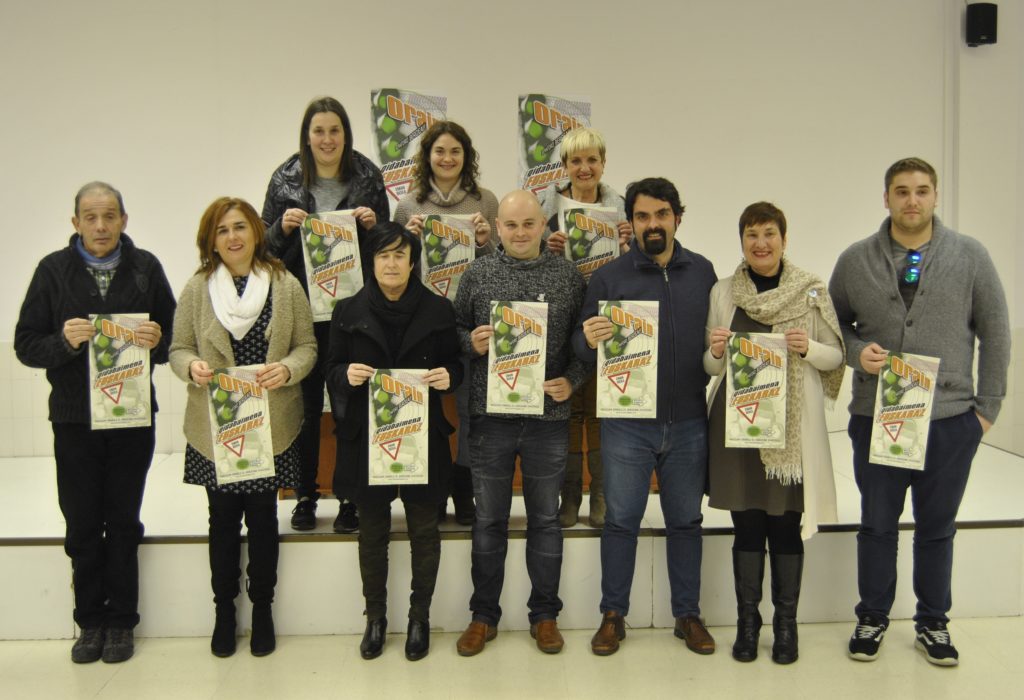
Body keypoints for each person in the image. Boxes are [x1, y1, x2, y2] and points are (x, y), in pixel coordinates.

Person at [829, 157, 1010, 667]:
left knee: (937, 527)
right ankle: (872, 616)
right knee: (877, 525)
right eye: (902, 191)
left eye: (922, 190)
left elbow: (996, 332)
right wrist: (855, 352)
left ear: (935, 196)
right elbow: (833, 325)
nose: (912, 200)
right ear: (886, 197)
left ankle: (933, 622)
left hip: (949, 421)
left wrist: (986, 410)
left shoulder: (970, 256)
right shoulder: (855, 259)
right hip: (877, 417)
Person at [14, 182, 176, 664]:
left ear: (124, 219)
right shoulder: (52, 271)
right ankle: (89, 621)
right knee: (82, 523)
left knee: (123, 520)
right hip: (74, 420)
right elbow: (25, 344)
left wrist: (157, 341)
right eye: (91, 217)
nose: (101, 226)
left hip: (131, 419)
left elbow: (174, 339)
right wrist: (63, 342)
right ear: (76, 223)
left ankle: (122, 622)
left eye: (109, 216)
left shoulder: (146, 268)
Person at [574, 177, 717, 656]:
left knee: (686, 521)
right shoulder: (608, 278)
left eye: (661, 214)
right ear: (630, 222)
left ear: (678, 217)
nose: (652, 224)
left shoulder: (703, 272)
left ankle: (687, 614)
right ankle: (613, 615)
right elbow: (579, 347)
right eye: (642, 216)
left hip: (689, 421)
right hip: (627, 425)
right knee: (620, 522)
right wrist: (587, 339)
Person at [169, 197, 317, 658]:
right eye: (222, 230)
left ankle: (263, 609)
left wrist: (288, 369)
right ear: (210, 241)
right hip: (216, 430)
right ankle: (224, 611)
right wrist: (191, 366)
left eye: (239, 227)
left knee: (263, 519)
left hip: (271, 425)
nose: (232, 237)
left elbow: (307, 346)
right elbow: (177, 348)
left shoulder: (285, 284)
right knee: (222, 521)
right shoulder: (197, 288)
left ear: (255, 232)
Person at [704, 202, 845, 664]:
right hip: (738, 428)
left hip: (790, 434)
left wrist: (810, 348)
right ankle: (748, 625)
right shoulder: (724, 291)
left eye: (769, 234)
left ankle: (787, 625)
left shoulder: (811, 291)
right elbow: (710, 367)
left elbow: (836, 357)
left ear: (785, 239)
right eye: (752, 235)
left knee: (785, 527)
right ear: (741, 241)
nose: (760, 243)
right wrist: (716, 351)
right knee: (746, 526)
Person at [452, 190, 588, 656]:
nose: (520, 232)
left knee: (545, 521)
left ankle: (545, 615)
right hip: (490, 420)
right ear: (498, 227)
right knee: (488, 520)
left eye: (529, 223)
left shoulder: (568, 277)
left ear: (543, 224)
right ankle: (482, 616)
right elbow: (452, 331)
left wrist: (571, 381)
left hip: (548, 420)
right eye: (511, 225)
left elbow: (583, 344)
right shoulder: (476, 274)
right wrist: (470, 342)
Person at [325, 222, 463, 662]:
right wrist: (343, 375)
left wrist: (449, 377)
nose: (391, 263)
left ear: (412, 262)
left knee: (424, 528)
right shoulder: (346, 310)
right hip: (369, 439)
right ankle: (376, 618)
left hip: (422, 437)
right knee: (372, 532)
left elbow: (456, 364)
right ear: (371, 261)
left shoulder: (439, 310)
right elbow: (330, 368)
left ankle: (420, 617)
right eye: (383, 255)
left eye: (399, 255)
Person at [261, 96, 390, 534]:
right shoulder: (284, 178)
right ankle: (304, 495)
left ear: (345, 134)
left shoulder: (368, 176)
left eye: (335, 130)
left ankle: (349, 497)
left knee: (350, 408)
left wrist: (373, 228)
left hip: (355, 313)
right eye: (319, 131)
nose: (327, 139)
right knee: (306, 409)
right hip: (302, 309)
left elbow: (388, 250)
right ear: (307, 136)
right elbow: (262, 247)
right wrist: (281, 228)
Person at [393, 120, 499, 525]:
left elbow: (499, 265)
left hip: (472, 319)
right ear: (427, 156)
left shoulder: (485, 201)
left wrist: (486, 240)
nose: (448, 158)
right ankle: (432, 490)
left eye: (456, 151)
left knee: (472, 410)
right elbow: (394, 266)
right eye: (440, 150)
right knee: (426, 409)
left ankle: (464, 488)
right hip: (424, 321)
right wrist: (407, 239)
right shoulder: (409, 205)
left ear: (466, 156)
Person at [537, 127, 632, 529]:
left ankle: (601, 493)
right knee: (569, 409)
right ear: (564, 166)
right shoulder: (547, 205)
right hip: (562, 313)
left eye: (592, 159)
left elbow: (636, 265)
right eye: (576, 160)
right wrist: (547, 246)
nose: (584, 167)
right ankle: (571, 493)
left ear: (603, 164)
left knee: (600, 410)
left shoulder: (620, 207)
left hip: (605, 316)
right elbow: (526, 254)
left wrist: (628, 244)